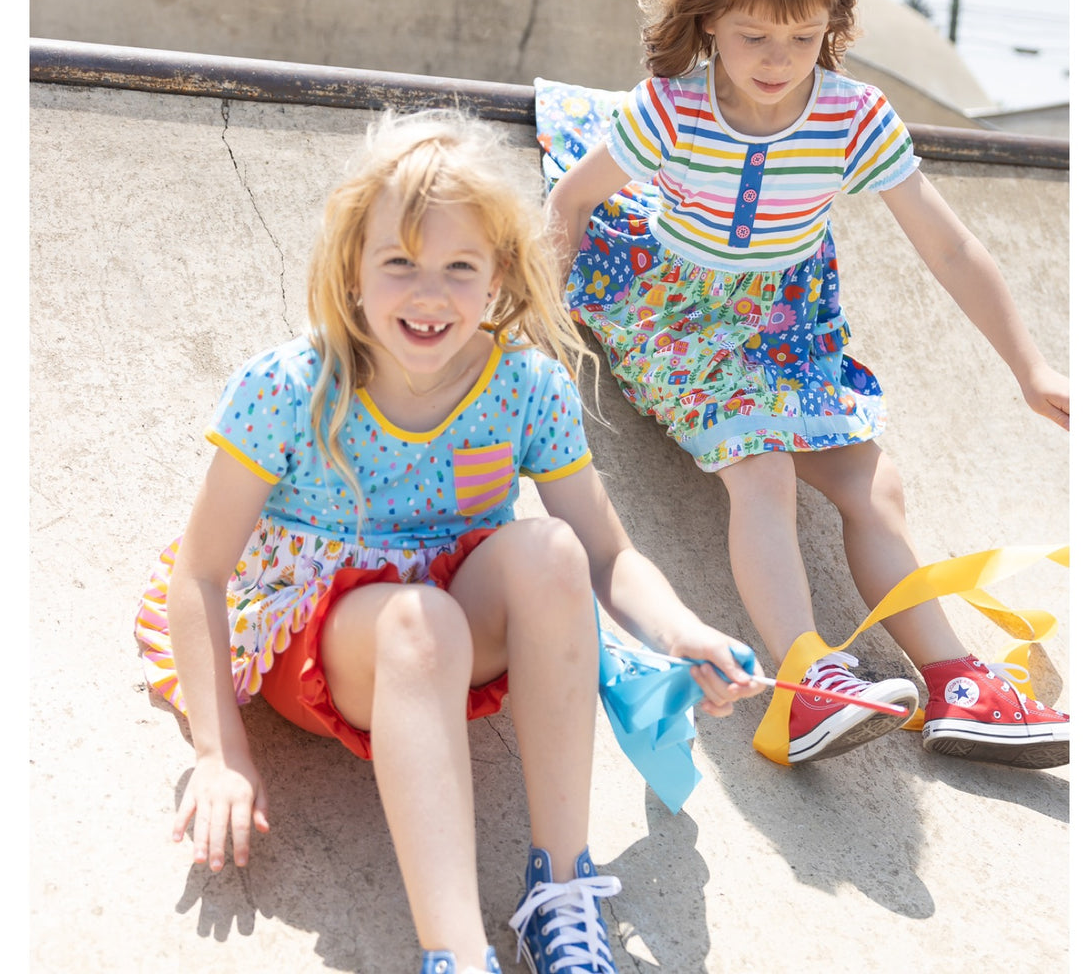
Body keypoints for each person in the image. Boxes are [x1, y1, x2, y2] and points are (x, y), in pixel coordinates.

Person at [133, 109, 764, 974]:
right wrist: (220, 756)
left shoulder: (525, 386)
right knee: (416, 620)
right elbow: (200, 575)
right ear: (352, 269)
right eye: (399, 263)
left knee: (551, 552)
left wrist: (678, 631)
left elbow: (608, 553)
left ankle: (563, 893)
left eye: (458, 268)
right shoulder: (292, 387)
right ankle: (457, 955)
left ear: (496, 274)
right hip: (327, 642)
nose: (428, 295)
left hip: (453, 626)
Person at [536, 0, 1070, 771]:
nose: (778, 61)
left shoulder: (851, 116)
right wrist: (531, 331)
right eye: (752, 37)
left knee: (873, 482)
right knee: (763, 467)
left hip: (786, 320)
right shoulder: (671, 111)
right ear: (709, 21)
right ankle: (803, 678)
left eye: (801, 37)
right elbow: (570, 200)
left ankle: (954, 679)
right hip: (671, 305)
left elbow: (951, 248)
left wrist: (1029, 368)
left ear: (831, 27)